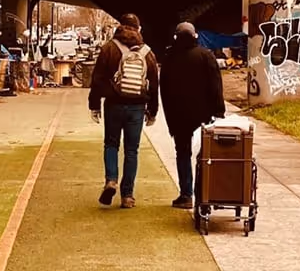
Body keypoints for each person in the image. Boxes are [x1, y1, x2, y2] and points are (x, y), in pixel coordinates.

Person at [88, 13, 159, 208]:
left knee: (111, 145)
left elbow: (97, 80)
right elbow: (154, 84)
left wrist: (94, 105)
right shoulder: (147, 52)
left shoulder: (109, 48)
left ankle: (111, 179)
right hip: (137, 107)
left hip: (113, 105)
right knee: (131, 150)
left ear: (120, 27)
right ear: (138, 29)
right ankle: (127, 195)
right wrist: (153, 111)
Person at [160, 22, 225, 209]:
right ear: (195, 36)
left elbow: (164, 89)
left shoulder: (170, 58)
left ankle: (186, 195)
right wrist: (218, 112)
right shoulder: (206, 56)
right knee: (206, 156)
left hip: (179, 117)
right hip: (204, 116)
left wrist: (169, 118)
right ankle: (207, 194)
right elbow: (216, 87)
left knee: (183, 154)